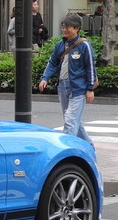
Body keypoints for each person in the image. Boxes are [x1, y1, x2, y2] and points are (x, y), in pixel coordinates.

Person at [38, 13, 96, 147]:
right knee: (73, 120)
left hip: (78, 89)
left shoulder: (84, 45)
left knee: (70, 120)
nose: (64, 30)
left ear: (76, 28)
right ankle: (89, 146)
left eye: (68, 27)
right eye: (63, 26)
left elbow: (90, 68)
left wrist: (90, 89)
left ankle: (67, 151)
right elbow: (52, 63)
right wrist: (45, 78)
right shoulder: (60, 45)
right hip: (62, 86)